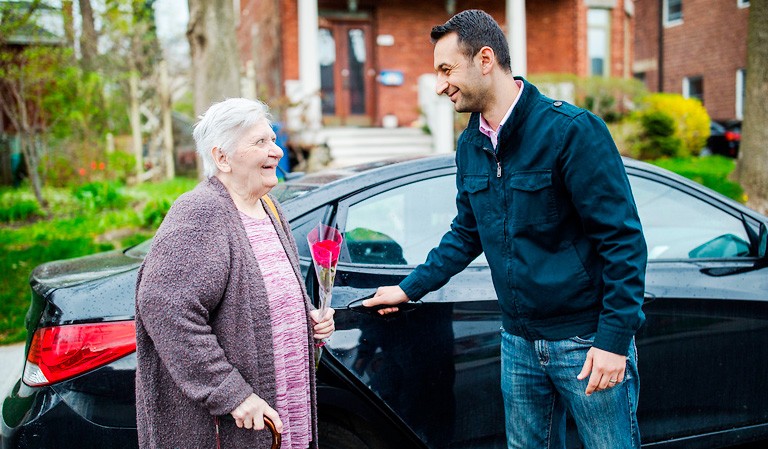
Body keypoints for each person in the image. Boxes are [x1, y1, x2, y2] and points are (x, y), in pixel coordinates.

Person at [364, 9, 647, 449]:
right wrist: (409, 288)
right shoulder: (471, 143)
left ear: (484, 59)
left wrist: (613, 340)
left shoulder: (571, 132)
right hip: (518, 341)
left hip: (586, 341)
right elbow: (466, 231)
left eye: (445, 70)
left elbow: (623, 241)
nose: (439, 86)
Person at [135, 98, 335, 449]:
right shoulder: (201, 212)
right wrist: (230, 393)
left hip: (287, 405)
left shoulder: (269, 208)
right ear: (222, 157)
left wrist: (309, 321)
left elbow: (261, 301)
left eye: (273, 140)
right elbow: (164, 307)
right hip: (230, 424)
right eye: (260, 142)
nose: (275, 151)